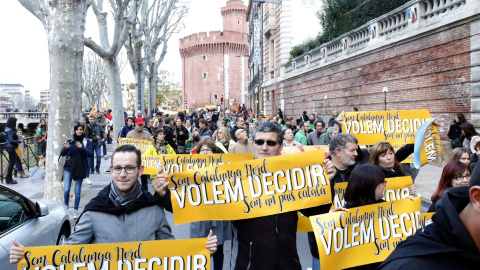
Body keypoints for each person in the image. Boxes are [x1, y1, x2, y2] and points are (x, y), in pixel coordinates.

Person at [10, 145, 218, 264]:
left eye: (129, 168)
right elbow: (67, 254)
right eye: (118, 168)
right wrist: (28, 258)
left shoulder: (154, 208)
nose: (123, 174)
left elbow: (173, 251)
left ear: (140, 170)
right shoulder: (93, 211)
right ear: (111, 169)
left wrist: (200, 250)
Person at [230, 122, 335, 270]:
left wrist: (326, 183)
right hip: (251, 264)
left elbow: (315, 212)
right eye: (260, 142)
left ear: (280, 147)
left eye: (271, 143)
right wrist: (208, 242)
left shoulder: (292, 177)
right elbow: (218, 215)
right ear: (253, 144)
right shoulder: (237, 179)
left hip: (288, 263)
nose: (264, 147)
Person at [378, 164, 480, 269]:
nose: (464, 180)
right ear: (477, 198)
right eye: (458, 177)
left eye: (468, 176)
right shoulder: (408, 265)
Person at [190, 139, 231, 270]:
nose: (206, 153)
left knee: (219, 250)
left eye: (209, 150)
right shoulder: (190, 169)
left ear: (214, 153)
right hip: (200, 216)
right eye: (203, 150)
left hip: (218, 216)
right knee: (201, 252)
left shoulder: (223, 168)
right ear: (198, 152)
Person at [339, 164, 387, 270]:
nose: (384, 185)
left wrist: (408, 206)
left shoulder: (385, 209)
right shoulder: (345, 214)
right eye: (382, 182)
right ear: (371, 185)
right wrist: (333, 222)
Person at [60, 123, 93, 219]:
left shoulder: (86, 141)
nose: (79, 131)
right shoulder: (70, 140)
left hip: (80, 167)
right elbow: (62, 153)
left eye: (81, 129)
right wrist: (65, 148)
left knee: (77, 191)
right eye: (77, 129)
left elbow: (91, 153)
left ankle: (75, 211)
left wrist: (82, 147)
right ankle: (66, 208)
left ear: (83, 130)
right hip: (69, 167)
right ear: (74, 131)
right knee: (66, 189)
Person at [3, 117, 28, 184]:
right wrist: (19, 141)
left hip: (8, 147)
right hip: (11, 147)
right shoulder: (10, 130)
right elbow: (11, 140)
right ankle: (8, 178)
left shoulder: (6, 128)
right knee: (11, 163)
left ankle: (9, 178)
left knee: (12, 162)